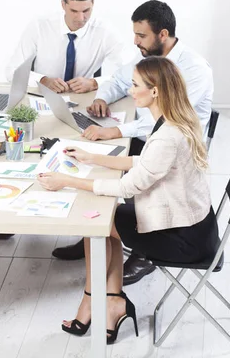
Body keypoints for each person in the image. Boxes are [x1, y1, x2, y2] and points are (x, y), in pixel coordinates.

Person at [38, 57, 218, 343]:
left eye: (135, 85)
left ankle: (94, 300)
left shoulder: (167, 135)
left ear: (155, 91)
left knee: (94, 223)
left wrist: (68, 181)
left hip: (184, 240)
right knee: (104, 223)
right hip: (195, 225)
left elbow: (127, 186)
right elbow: (146, 163)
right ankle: (112, 302)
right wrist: (92, 157)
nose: (130, 91)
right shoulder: (174, 120)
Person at [53, 0, 214, 285]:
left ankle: (138, 251)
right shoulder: (148, 63)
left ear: (162, 34)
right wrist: (101, 100)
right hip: (157, 151)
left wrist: (68, 179)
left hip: (175, 181)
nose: (135, 41)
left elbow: (135, 174)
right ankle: (94, 241)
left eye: (141, 35)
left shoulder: (193, 73)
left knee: (108, 192)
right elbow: (120, 81)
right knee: (105, 171)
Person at [5, 0, 124, 94]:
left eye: (86, 10)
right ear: (63, 5)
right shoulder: (39, 26)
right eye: (74, 11)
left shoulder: (104, 31)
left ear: (93, 3)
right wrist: (43, 80)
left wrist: (94, 83)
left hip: (83, 99)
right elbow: (12, 71)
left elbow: (132, 71)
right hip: (43, 97)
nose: (81, 18)